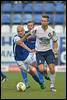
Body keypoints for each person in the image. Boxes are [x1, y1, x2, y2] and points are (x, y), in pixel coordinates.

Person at [30, 15, 58, 92]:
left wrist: (55, 52)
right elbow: (29, 35)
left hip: (49, 52)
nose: (43, 22)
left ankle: (52, 85)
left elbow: (55, 42)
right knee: (41, 69)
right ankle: (45, 71)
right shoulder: (36, 29)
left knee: (52, 69)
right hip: (39, 52)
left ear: (48, 22)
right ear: (41, 21)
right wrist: (23, 39)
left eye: (45, 21)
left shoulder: (52, 31)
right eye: (42, 21)